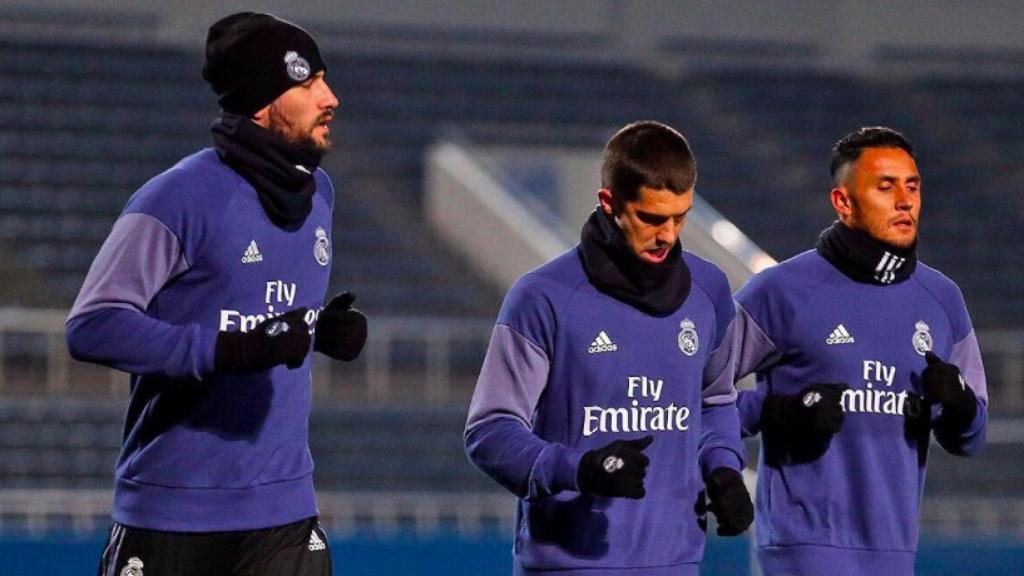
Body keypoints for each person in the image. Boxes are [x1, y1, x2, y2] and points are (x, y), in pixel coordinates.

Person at [66, 12, 368, 576]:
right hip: (172, 513)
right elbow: (92, 324)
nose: (331, 97)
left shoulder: (319, 192)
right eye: (307, 83)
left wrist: (320, 329)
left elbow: (267, 314)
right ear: (261, 101)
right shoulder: (177, 198)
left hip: (285, 514)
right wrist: (227, 350)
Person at [465, 120, 754, 576]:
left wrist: (724, 467)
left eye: (681, 217)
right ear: (609, 202)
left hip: (676, 563)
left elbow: (715, 400)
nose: (668, 236)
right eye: (651, 218)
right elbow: (489, 430)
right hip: (567, 565)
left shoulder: (709, 291)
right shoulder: (543, 297)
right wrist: (577, 469)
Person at [734, 126, 988, 576]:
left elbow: (972, 436)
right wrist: (778, 411)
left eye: (912, 186)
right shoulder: (783, 292)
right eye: (885, 187)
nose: (905, 201)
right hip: (803, 548)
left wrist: (961, 402)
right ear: (843, 203)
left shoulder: (942, 299)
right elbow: (693, 396)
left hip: (894, 552)